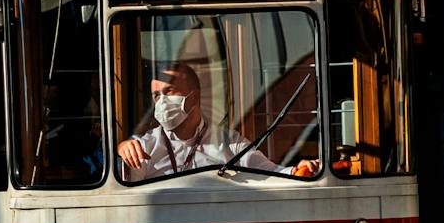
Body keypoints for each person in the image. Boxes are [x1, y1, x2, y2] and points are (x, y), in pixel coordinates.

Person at [116, 62, 320, 179]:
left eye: (169, 91)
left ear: (194, 97)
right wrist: (120, 150)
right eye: (156, 96)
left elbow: (269, 172)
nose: (162, 101)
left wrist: (296, 170)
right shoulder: (143, 147)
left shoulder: (230, 142)